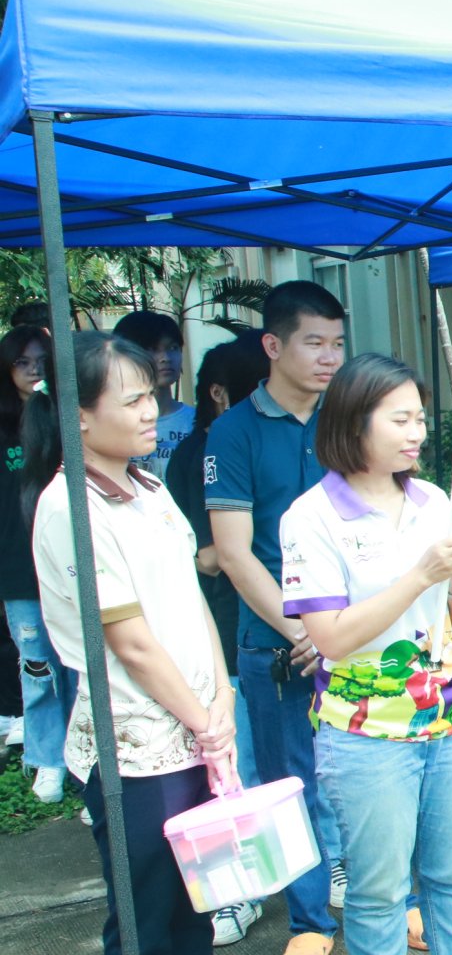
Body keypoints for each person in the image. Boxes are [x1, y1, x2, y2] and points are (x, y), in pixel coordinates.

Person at [29, 332, 291, 955]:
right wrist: (198, 716)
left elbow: (188, 604)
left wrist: (220, 705)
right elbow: (130, 640)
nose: (153, 410)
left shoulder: (144, 487)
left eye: (151, 393)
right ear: (78, 417)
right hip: (134, 747)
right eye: (134, 399)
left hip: (194, 731)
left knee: (194, 901)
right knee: (142, 914)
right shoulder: (67, 507)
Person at [280, 353, 452, 955]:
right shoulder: (311, 516)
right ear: (355, 423)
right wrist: (421, 574)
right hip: (365, 730)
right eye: (401, 419)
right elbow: (331, 638)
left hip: (450, 715)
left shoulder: (434, 501)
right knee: (378, 886)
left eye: (418, 417)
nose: (416, 432)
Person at [206, 280, 345, 955]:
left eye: (338, 344)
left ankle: (397, 900)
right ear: (273, 345)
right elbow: (233, 552)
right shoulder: (233, 433)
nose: (329, 358)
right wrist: (300, 632)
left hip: (357, 632)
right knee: (294, 785)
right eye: (314, 343)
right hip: (276, 643)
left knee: (372, 775)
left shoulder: (350, 418)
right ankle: (311, 919)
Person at [165, 332, 271, 807]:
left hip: (256, 614)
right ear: (219, 393)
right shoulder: (202, 454)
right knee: (242, 749)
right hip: (226, 616)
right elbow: (209, 557)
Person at [1, 325, 77, 807]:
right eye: (22, 363)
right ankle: (48, 758)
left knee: (77, 664)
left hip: (69, 566)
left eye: (39, 362)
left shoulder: (64, 420)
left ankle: (83, 756)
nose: (32, 371)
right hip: (18, 569)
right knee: (38, 667)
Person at [114, 311, 196, 469]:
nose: (165, 357)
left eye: (173, 347)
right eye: (152, 349)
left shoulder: (196, 422)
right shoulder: (113, 425)